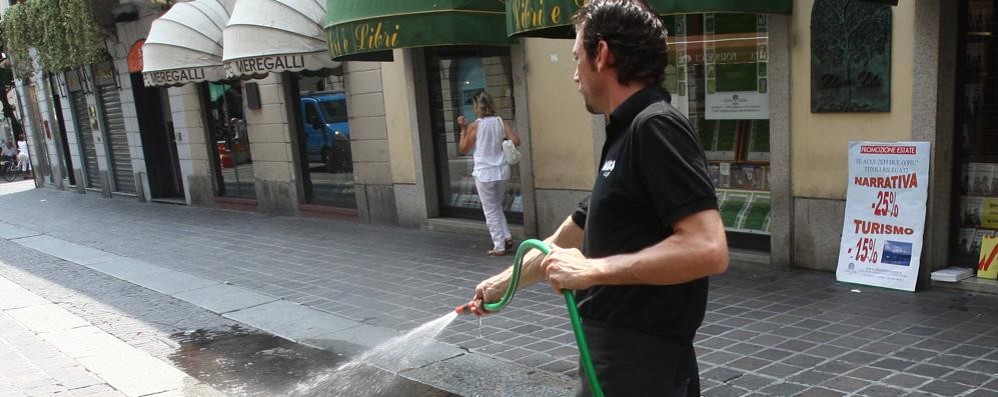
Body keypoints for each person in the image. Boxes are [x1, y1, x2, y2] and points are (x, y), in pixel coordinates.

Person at [462, 1, 728, 395]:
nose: (574, 75)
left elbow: (708, 248)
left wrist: (594, 270)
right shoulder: (624, 133)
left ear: (601, 54)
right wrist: (507, 281)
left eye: (576, 58)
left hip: (644, 365)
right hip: (615, 356)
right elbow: (571, 236)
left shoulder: (655, 126)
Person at [457, 91, 522, 256]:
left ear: (478, 106)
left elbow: (463, 149)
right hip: (502, 171)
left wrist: (463, 129)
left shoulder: (476, 126)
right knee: (496, 205)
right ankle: (506, 236)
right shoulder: (501, 122)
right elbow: (516, 141)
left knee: (490, 209)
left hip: (484, 173)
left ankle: (498, 245)